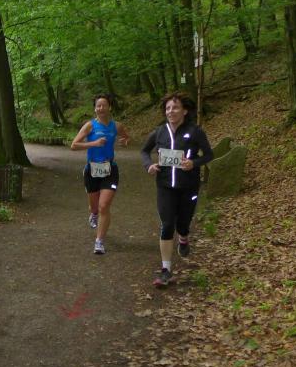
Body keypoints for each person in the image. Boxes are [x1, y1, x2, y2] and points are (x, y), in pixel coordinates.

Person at [140, 91, 213, 287]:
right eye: (168, 108)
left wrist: (193, 163)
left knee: (183, 224)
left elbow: (209, 155)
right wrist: (149, 165)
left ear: (185, 111)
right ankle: (166, 270)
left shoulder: (195, 132)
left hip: (188, 186)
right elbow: (144, 151)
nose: (171, 111)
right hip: (165, 186)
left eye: (175, 108)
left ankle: (184, 237)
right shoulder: (159, 132)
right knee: (167, 224)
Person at [70, 93, 130, 254]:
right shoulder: (90, 126)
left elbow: (126, 138)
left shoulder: (116, 126)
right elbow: (74, 145)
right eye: (98, 105)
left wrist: (125, 142)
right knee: (95, 206)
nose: (101, 108)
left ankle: (99, 241)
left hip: (110, 169)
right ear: (95, 109)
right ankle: (93, 213)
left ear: (110, 107)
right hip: (92, 169)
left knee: (104, 206)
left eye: (104, 105)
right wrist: (94, 143)